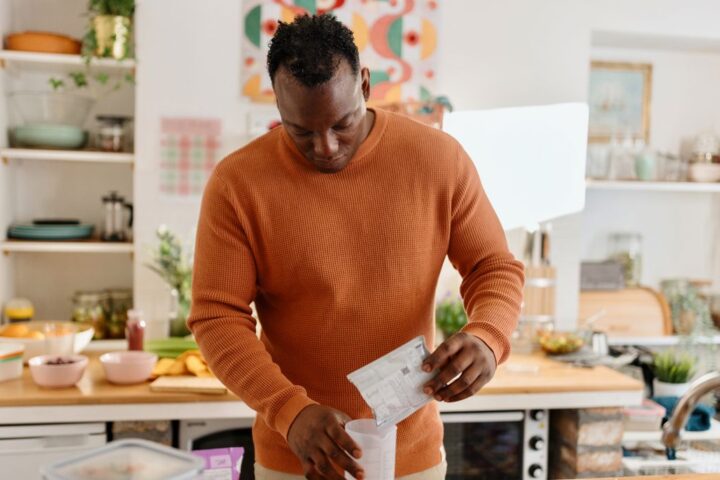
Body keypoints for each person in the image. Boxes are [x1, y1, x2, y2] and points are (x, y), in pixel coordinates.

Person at [189, 13, 524, 480]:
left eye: (342, 123)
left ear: (364, 83)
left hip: (413, 460)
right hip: (295, 460)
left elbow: (494, 267)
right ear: (278, 102)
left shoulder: (438, 160)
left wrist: (489, 336)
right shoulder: (237, 183)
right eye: (301, 130)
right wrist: (290, 412)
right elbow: (217, 316)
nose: (326, 147)